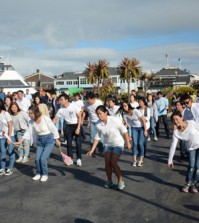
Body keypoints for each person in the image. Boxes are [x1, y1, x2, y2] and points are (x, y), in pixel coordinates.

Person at [87, 105, 131, 190]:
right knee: (107, 164)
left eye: (100, 114)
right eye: (97, 114)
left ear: (106, 112)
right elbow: (97, 136)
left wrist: (128, 143)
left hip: (118, 144)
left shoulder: (114, 120)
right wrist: (92, 150)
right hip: (107, 145)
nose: (99, 116)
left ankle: (120, 181)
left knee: (113, 162)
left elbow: (124, 131)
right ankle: (109, 181)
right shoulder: (98, 124)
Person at [16, 105, 60, 182]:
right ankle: (38, 173)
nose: (30, 115)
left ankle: (45, 174)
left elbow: (53, 128)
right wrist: (20, 141)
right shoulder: (31, 121)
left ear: (36, 112)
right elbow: (28, 132)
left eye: (31, 113)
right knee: (37, 159)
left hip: (49, 140)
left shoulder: (45, 118)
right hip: (40, 141)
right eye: (29, 113)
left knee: (43, 158)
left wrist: (57, 139)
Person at [168, 111, 199, 193]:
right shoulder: (176, 132)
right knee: (192, 166)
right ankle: (187, 183)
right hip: (191, 148)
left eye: (177, 119)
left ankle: (194, 184)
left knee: (198, 167)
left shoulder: (191, 123)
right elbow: (173, 146)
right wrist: (170, 160)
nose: (175, 121)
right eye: (173, 120)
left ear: (182, 117)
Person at [53, 93, 82, 166]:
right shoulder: (61, 110)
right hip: (68, 126)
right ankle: (71, 159)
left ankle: (79, 158)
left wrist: (78, 128)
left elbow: (79, 116)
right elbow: (55, 119)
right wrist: (49, 126)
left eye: (61, 100)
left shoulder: (74, 106)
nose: (60, 101)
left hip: (76, 125)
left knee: (78, 143)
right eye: (59, 100)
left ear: (66, 100)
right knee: (69, 144)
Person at [82, 92, 104, 156]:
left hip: (99, 122)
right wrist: (82, 120)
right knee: (92, 137)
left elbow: (103, 112)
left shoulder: (98, 103)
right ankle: (93, 151)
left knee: (101, 138)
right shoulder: (86, 104)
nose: (87, 101)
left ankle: (101, 151)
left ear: (93, 99)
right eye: (87, 99)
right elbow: (84, 111)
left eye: (89, 99)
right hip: (92, 122)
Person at [0, 99, 15, 175]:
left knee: (10, 151)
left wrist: (9, 138)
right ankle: (2, 168)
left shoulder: (6, 114)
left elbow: (10, 125)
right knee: (3, 151)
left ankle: (10, 168)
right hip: (1, 136)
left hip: (10, 135)